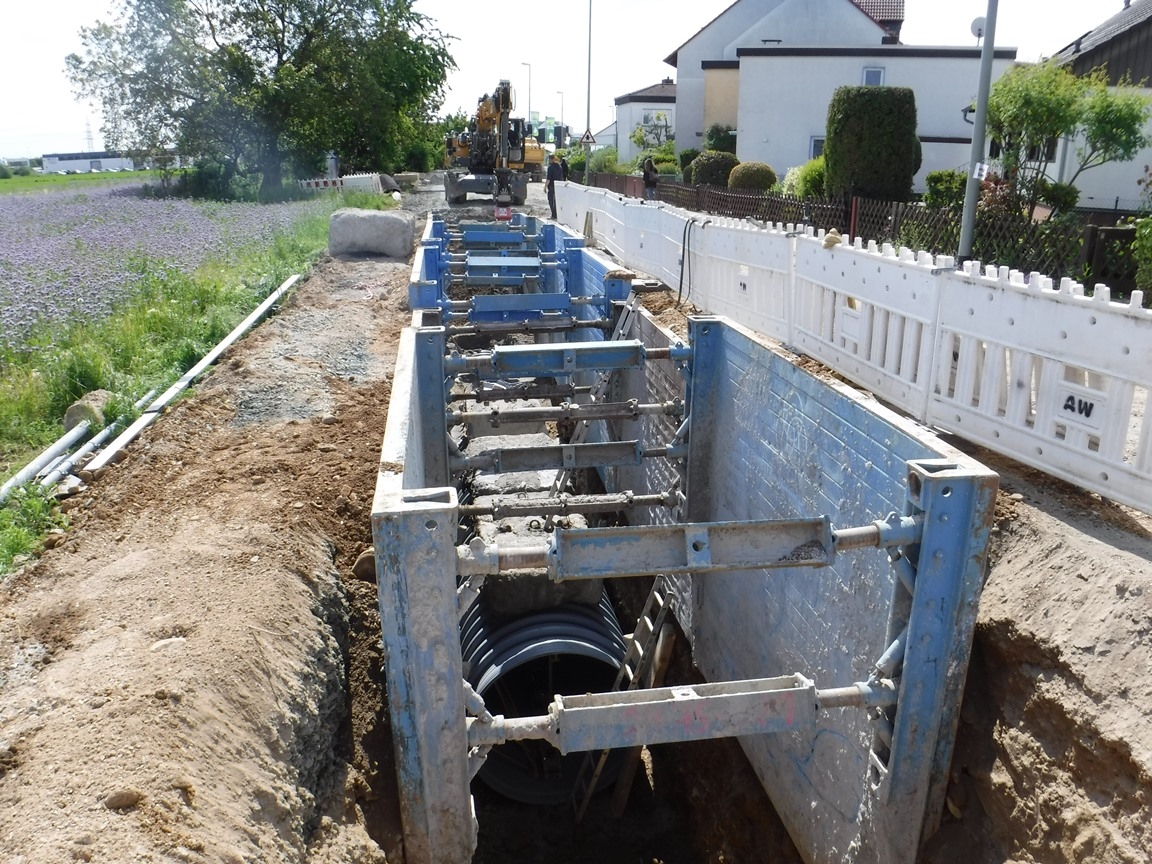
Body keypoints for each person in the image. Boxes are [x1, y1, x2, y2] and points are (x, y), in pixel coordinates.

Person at [545, 153, 564, 219]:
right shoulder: (559, 167)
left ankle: (553, 215)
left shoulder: (550, 167)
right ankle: (556, 215)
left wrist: (545, 187)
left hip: (552, 186)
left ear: (550, 159)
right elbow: (561, 177)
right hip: (558, 186)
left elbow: (548, 179)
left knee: (551, 200)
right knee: (556, 201)